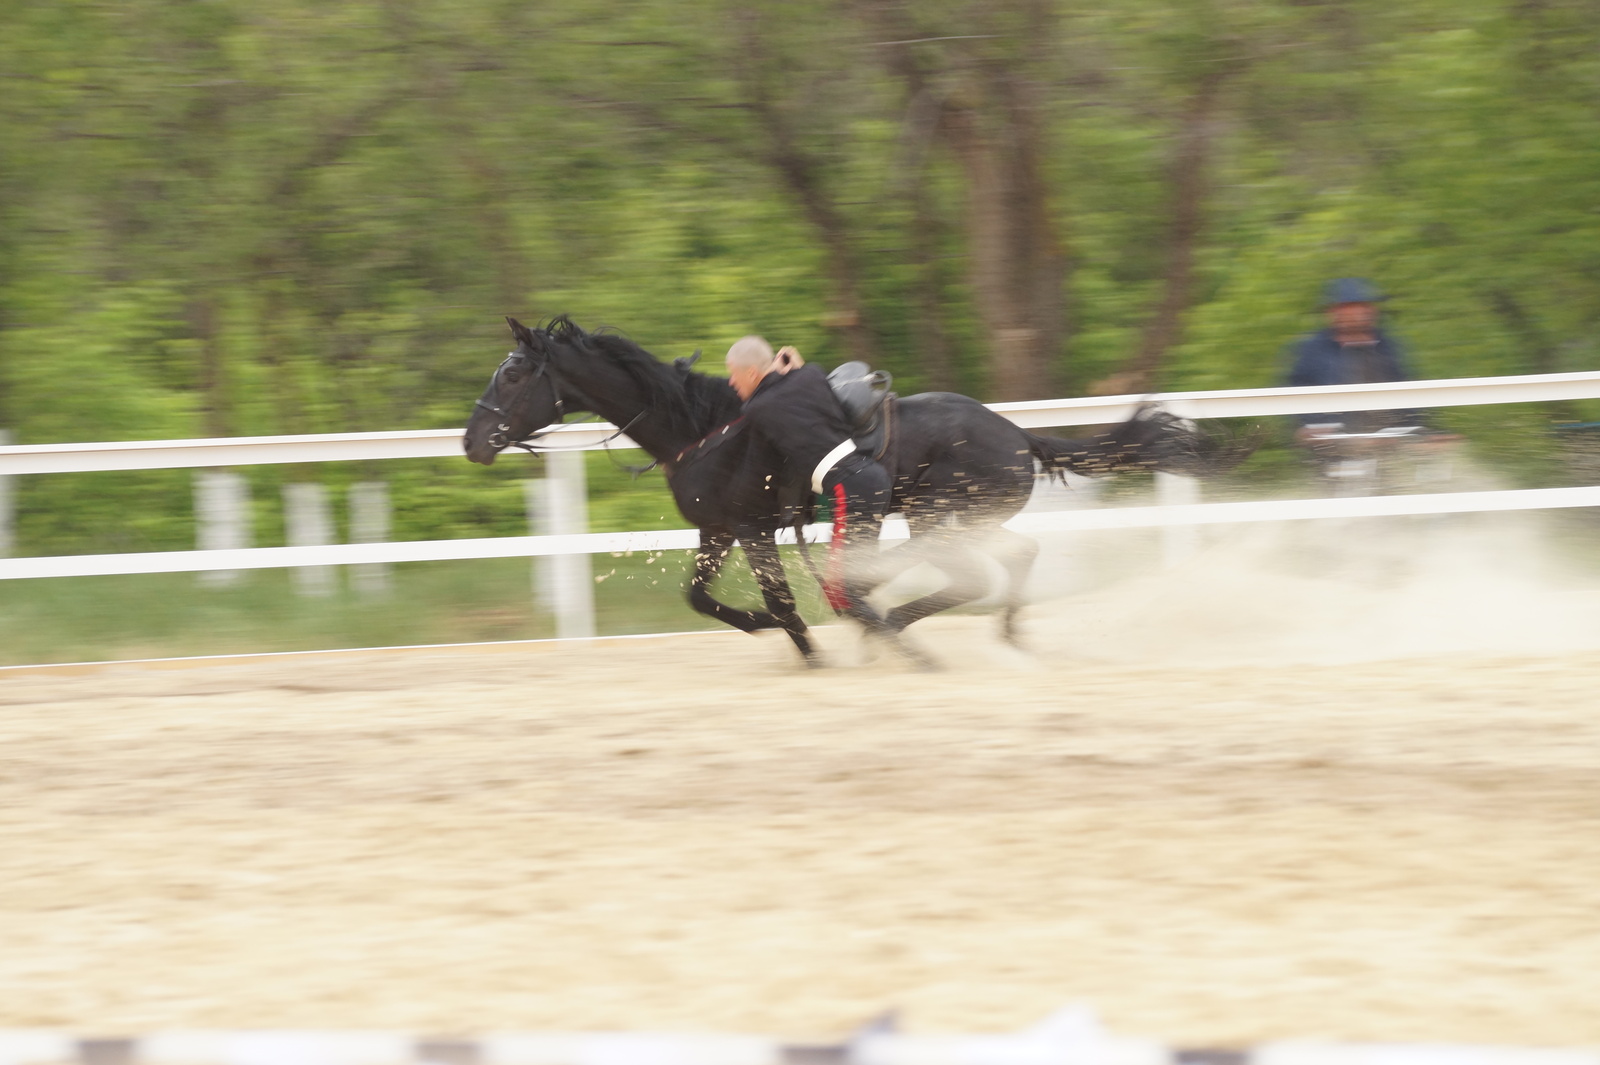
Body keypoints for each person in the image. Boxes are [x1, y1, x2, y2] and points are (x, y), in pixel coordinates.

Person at [725, 335, 892, 628]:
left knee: (841, 592)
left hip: (848, 490)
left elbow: (762, 464)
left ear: (751, 373)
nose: (730, 383)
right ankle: (887, 638)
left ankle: (907, 650)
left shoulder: (757, 409)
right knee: (854, 583)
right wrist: (796, 368)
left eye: (733, 375)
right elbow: (806, 385)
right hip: (874, 479)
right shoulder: (811, 375)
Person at [1286, 277, 1423, 443]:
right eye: (1349, 307)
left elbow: (1408, 392)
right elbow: (1296, 394)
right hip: (1335, 435)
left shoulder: (1388, 346)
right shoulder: (1313, 350)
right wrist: (1313, 425)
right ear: (1333, 312)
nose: (1358, 313)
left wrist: (1418, 430)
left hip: (1388, 433)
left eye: (1362, 306)